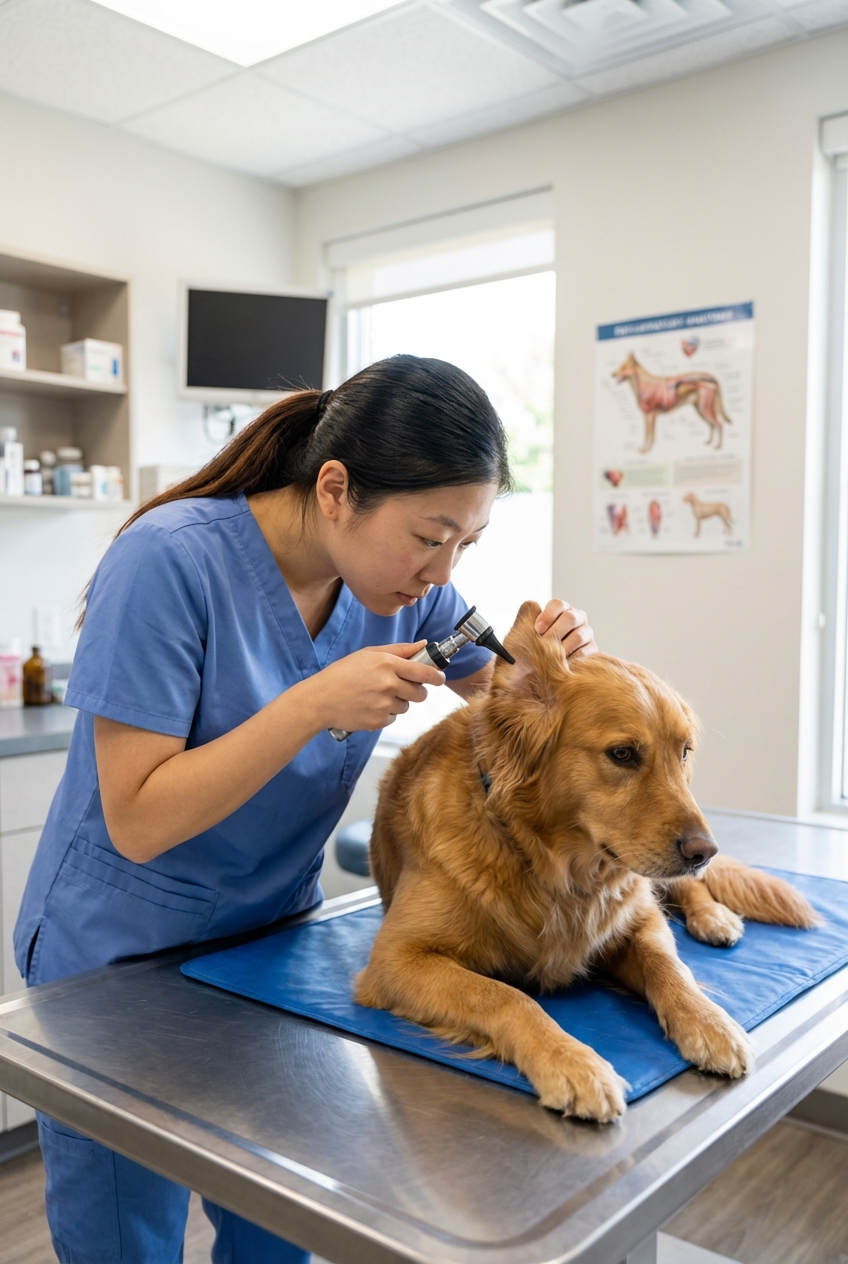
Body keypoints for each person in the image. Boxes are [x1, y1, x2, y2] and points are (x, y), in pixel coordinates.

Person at [15, 354, 596, 1264]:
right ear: (335, 489)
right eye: (429, 535)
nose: (442, 570)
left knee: (279, 1226)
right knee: (126, 1239)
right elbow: (134, 816)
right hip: (117, 955)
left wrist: (542, 666)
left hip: (270, 945)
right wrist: (310, 705)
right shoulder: (169, 560)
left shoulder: (419, 595)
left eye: (465, 546)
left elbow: (507, 711)